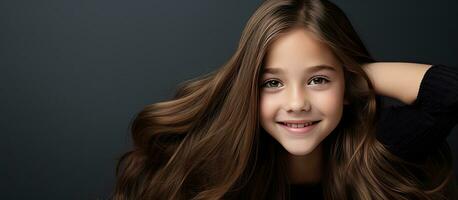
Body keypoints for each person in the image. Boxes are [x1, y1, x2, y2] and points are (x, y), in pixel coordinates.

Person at [112, 0, 458, 199]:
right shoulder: (212, 170)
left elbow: (450, 92)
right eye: (273, 82)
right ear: (249, 88)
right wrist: (332, 78)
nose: (296, 102)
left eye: (318, 80)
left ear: (348, 88)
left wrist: (356, 77)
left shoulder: (377, 153)